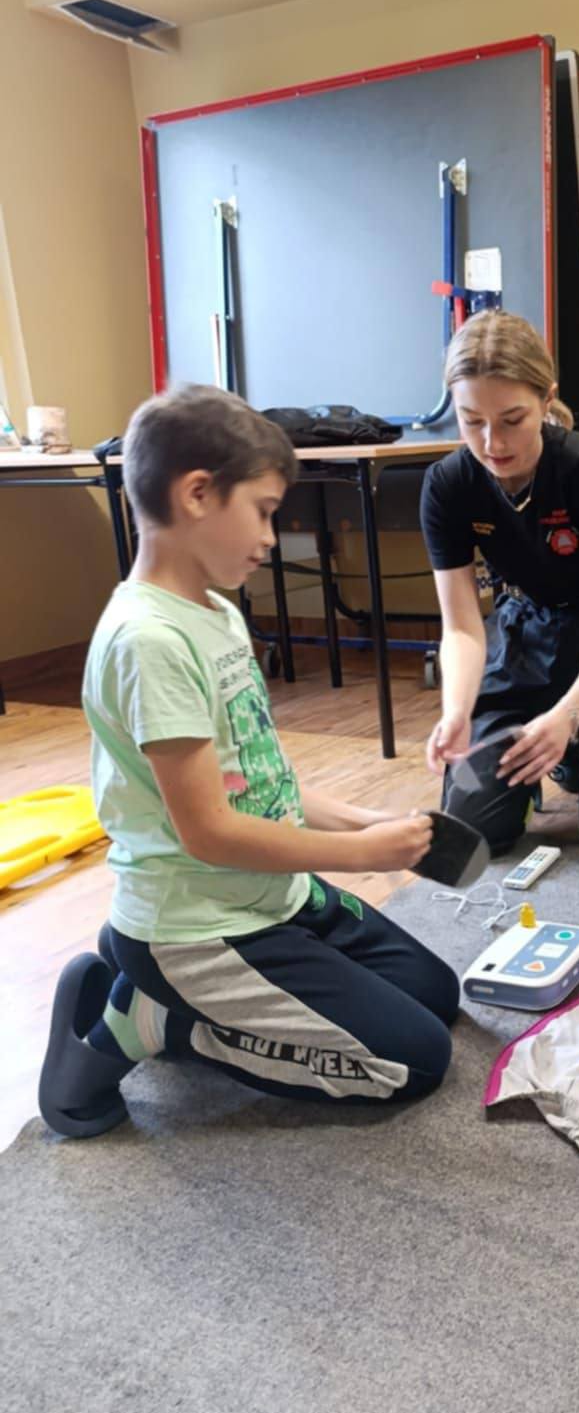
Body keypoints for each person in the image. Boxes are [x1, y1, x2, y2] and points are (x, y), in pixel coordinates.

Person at [39, 385, 459, 1139]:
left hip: (271, 899)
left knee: (435, 994)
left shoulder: (218, 613)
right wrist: (361, 853)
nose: (271, 537)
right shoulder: (149, 641)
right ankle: (158, 1018)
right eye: (263, 512)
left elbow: (264, 785)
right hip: (198, 926)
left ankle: (150, 981)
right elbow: (209, 832)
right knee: (411, 1061)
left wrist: (369, 820)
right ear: (198, 494)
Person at [420, 311, 579, 866]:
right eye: (471, 421)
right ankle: (560, 743)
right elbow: (462, 628)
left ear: (545, 400)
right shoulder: (447, 486)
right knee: (471, 827)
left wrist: (567, 717)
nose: (492, 443)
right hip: (527, 629)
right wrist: (457, 710)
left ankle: (578, 745)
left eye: (512, 420)